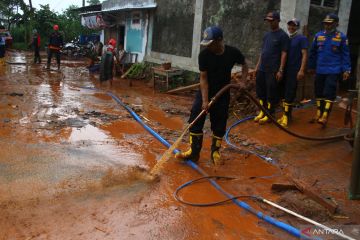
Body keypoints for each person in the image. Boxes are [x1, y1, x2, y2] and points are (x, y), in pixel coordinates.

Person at [175, 26, 248, 165]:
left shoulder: (232, 53)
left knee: (219, 123)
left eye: (210, 43)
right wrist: (204, 101)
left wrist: (243, 82)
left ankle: (215, 152)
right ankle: (194, 152)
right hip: (205, 91)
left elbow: (245, 65)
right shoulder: (204, 55)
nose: (208, 47)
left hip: (223, 94)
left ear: (219, 40)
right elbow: (203, 78)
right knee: (196, 118)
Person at [308, 13, 351, 126]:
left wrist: (346, 70)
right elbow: (312, 53)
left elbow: (345, 55)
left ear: (336, 24)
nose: (327, 26)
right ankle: (318, 113)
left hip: (334, 69)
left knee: (329, 92)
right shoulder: (318, 36)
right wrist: (311, 67)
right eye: (326, 23)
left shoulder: (341, 37)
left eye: (330, 23)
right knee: (318, 91)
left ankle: (325, 116)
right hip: (320, 69)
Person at [252, 11, 289, 124]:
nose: (269, 23)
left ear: (277, 20)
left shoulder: (283, 36)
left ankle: (269, 114)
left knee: (270, 93)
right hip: (262, 69)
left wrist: (280, 70)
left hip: (273, 70)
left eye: (271, 21)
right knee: (261, 91)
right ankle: (262, 112)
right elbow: (263, 52)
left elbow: (284, 53)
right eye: (268, 21)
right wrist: (257, 67)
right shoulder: (267, 35)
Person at [277, 18, 308, 127]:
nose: (291, 27)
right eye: (289, 25)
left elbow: (304, 54)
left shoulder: (301, 38)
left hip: (294, 70)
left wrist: (302, 70)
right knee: (283, 92)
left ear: (297, 27)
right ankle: (286, 115)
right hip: (283, 70)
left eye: (293, 25)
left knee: (290, 92)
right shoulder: (286, 38)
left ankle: (286, 116)